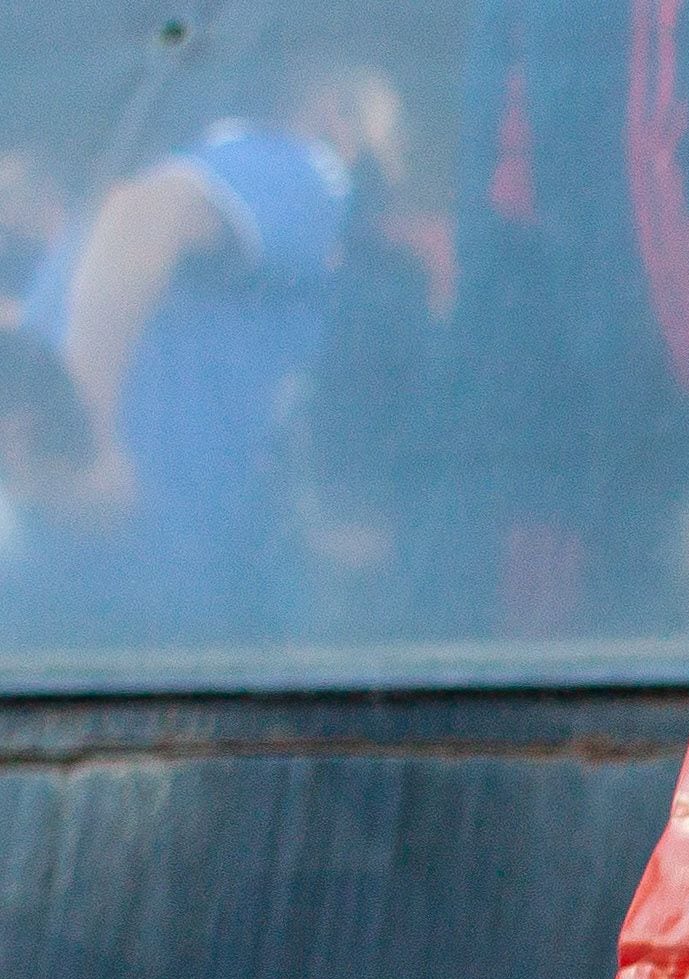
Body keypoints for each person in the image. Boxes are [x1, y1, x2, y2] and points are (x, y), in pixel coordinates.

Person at [13, 60, 405, 642]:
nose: (402, 149)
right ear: (332, 112)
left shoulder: (164, 188)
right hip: (158, 622)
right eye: (397, 123)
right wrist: (83, 440)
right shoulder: (301, 168)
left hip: (66, 610)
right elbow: (143, 217)